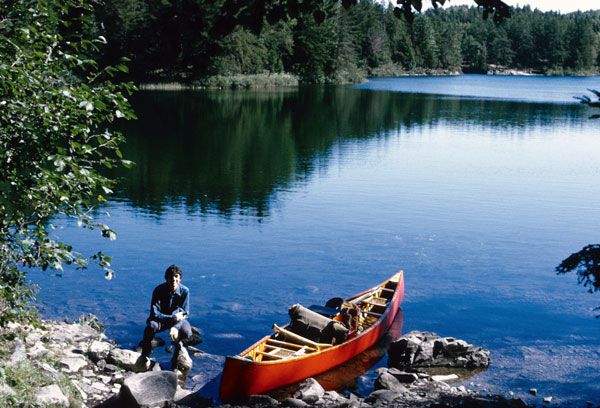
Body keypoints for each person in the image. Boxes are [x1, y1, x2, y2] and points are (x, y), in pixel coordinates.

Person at [135, 264, 192, 371]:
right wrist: (173, 318)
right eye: (170, 276)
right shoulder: (158, 290)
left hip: (177, 320)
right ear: (166, 278)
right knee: (151, 326)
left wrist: (176, 326)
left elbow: (185, 313)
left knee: (187, 332)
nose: (173, 279)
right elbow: (154, 314)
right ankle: (145, 356)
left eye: (176, 276)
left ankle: (177, 353)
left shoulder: (185, 291)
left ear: (180, 278)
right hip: (160, 319)